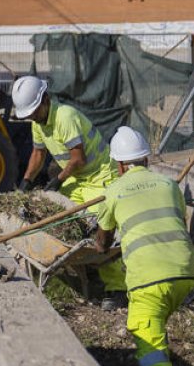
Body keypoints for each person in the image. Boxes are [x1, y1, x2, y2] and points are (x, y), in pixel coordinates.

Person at [93, 126, 194, 366]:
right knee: (156, 325)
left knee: (149, 343)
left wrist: (100, 240)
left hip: (149, 281)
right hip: (186, 274)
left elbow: (102, 244)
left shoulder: (113, 191)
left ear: (119, 165)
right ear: (146, 160)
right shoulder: (169, 185)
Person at [11, 75, 129, 309]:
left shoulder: (65, 117)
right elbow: (38, 154)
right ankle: (84, 264)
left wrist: (58, 180)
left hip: (101, 176)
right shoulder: (38, 123)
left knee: (104, 227)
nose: (32, 117)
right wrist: (25, 181)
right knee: (58, 213)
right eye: (29, 114)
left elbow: (78, 158)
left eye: (34, 111)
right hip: (79, 177)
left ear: (45, 99)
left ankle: (118, 288)